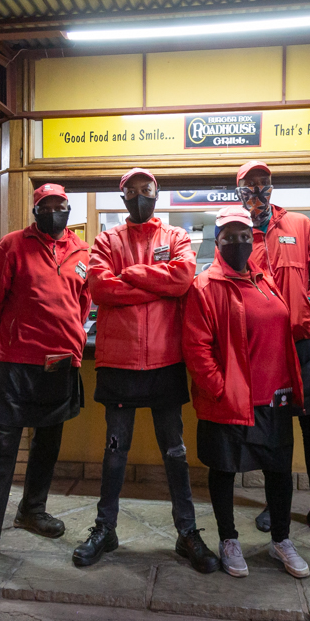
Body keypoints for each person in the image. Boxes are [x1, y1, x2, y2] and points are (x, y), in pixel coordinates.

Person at [0, 184, 90, 580]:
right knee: (1, 449)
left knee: (48, 442)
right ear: (35, 209)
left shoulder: (81, 251)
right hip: (18, 362)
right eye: (47, 206)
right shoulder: (12, 245)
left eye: (61, 206)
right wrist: (3, 339)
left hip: (61, 362)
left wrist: (73, 341)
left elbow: (83, 303)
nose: (54, 212)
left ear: (68, 209)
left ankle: (32, 511)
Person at [75, 168, 218, 574]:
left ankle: (186, 531)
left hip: (165, 360)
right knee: (114, 451)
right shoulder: (106, 240)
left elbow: (182, 278)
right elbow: (100, 288)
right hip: (119, 360)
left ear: (157, 193)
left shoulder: (175, 237)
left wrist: (131, 275)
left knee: (175, 451)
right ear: (123, 199)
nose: (140, 196)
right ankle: (106, 529)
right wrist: (154, 284)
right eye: (132, 192)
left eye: (146, 190)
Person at [183, 206, 310, 579]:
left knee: (278, 472)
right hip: (230, 401)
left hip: (275, 398)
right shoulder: (204, 286)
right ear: (217, 241)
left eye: (243, 236)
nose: (237, 243)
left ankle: (281, 540)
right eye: (229, 237)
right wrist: (221, 389)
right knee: (224, 470)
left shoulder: (264, 279)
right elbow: (196, 348)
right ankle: (228, 539)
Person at [235, 160, 310, 542]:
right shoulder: (236, 233)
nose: (258, 189)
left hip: (303, 342)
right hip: (265, 349)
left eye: (264, 182)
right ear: (239, 191)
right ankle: (278, 503)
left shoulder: (298, 225)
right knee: (276, 431)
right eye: (250, 184)